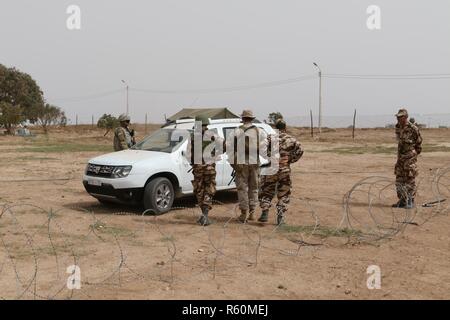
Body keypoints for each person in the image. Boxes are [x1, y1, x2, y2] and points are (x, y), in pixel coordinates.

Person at [258, 119, 303, 225]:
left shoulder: (270, 138)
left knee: (267, 190)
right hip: (284, 169)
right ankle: (280, 217)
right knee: (284, 193)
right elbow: (300, 151)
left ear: (275, 127)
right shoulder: (292, 140)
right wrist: (290, 159)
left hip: (271, 169)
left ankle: (265, 212)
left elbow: (261, 149)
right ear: (285, 127)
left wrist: (269, 156)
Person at [226, 110, 266, 222]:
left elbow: (229, 147)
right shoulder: (259, 131)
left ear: (243, 119)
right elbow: (264, 147)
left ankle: (244, 213)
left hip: (241, 163)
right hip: (254, 163)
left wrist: (233, 163)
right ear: (252, 119)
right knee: (254, 188)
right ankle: (252, 213)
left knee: (242, 188)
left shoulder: (236, 131)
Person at [185, 115, 223, 225]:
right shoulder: (213, 135)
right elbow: (222, 146)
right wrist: (215, 157)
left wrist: (193, 163)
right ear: (207, 124)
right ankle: (205, 215)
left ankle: (204, 214)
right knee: (209, 189)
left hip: (198, 167)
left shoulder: (193, 137)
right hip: (210, 167)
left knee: (199, 190)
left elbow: (188, 154)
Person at [393, 108, 422, 209]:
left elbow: (419, 143)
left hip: (409, 158)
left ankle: (410, 201)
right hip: (400, 158)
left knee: (409, 179)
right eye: (398, 117)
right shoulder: (397, 127)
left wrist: (413, 154)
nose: (398, 118)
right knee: (399, 179)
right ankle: (402, 200)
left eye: (400, 117)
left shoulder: (413, 128)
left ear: (406, 117)